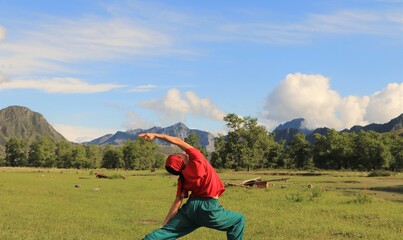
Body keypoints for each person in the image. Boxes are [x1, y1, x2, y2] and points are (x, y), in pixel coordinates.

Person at [139, 133, 245, 240]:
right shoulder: (197, 159)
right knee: (238, 220)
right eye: (178, 154)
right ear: (181, 160)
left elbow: (177, 202)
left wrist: (164, 225)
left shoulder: (182, 178)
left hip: (191, 209)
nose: (182, 152)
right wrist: (156, 135)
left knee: (165, 233)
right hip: (208, 207)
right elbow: (177, 141)